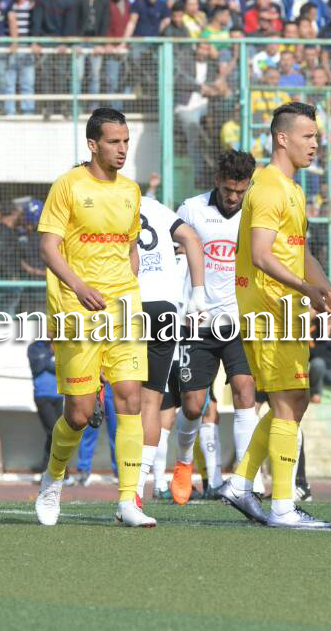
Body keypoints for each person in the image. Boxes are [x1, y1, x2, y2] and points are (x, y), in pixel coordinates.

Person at [222, 101, 331, 529]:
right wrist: (306, 289)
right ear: (282, 138)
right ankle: (281, 505)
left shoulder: (291, 188)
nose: (315, 144)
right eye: (308, 136)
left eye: (316, 136)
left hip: (285, 305)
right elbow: (260, 254)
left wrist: (326, 288)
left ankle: (241, 484)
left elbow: (297, 249)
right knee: (286, 401)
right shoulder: (269, 187)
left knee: (294, 400)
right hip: (268, 307)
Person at [33, 107, 154, 528]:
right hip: (77, 310)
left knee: (131, 398)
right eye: (114, 142)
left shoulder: (131, 190)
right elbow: (48, 247)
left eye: (126, 141)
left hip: (124, 307)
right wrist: (80, 286)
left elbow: (130, 247)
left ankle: (128, 500)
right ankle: (53, 479)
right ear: (92, 144)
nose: (122, 149)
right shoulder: (68, 185)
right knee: (80, 414)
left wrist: (130, 285)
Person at [171, 151, 261, 505]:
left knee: (245, 391)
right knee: (193, 406)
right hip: (198, 322)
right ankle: (183, 462)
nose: (233, 197)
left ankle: (244, 480)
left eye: (240, 191)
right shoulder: (191, 210)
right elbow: (173, 260)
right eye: (228, 190)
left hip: (240, 321)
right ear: (217, 181)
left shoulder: (255, 213)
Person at [134, 193, 206, 505]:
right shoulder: (153, 205)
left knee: (128, 403)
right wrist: (199, 295)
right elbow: (192, 238)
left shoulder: (105, 201)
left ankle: (136, 487)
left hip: (129, 304)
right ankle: (138, 489)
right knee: (154, 404)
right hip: (166, 310)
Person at [29, 340, 62, 473]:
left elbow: (63, 368)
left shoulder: (61, 345)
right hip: (42, 396)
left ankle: (48, 469)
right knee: (54, 432)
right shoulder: (34, 347)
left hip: (59, 396)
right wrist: (50, 355)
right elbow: (36, 367)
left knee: (58, 434)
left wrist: (45, 361)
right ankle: (57, 471)